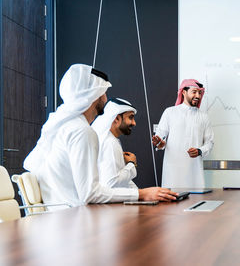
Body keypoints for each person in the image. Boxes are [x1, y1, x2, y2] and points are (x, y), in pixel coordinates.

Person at [23, 64, 177, 208]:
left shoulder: (63, 126)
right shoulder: (81, 131)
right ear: (94, 94)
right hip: (71, 222)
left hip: (61, 217)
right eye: (103, 92)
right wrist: (142, 194)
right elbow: (90, 194)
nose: (105, 98)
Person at [152, 79, 214, 188]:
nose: (198, 96)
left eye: (200, 93)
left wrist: (200, 151)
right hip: (173, 173)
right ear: (184, 92)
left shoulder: (204, 117)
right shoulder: (170, 112)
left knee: (197, 202)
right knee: (172, 202)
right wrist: (160, 144)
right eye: (194, 92)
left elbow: (210, 143)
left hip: (194, 172)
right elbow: (160, 137)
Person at [92, 97, 139, 188]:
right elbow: (111, 183)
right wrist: (131, 164)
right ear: (117, 119)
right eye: (130, 117)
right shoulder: (109, 142)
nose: (134, 123)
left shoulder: (110, 140)